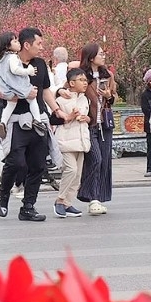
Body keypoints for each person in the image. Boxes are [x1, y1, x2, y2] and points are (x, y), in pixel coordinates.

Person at [0, 28, 61, 222]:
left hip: (38, 119)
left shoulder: (40, 64)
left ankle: (28, 207)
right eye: (39, 43)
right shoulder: (7, 62)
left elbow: (45, 90)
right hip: (16, 121)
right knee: (16, 162)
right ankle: (3, 194)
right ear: (26, 45)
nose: (42, 47)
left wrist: (56, 110)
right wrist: (14, 95)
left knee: (38, 165)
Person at [76, 42, 118, 216]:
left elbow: (114, 96)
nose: (104, 55)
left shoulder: (107, 75)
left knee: (104, 161)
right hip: (88, 125)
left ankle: (97, 198)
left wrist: (109, 96)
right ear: (91, 57)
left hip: (105, 125)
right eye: (100, 53)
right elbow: (68, 90)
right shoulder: (81, 76)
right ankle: (90, 197)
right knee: (96, 159)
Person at [52, 68, 90, 218]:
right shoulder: (61, 100)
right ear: (72, 83)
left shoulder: (84, 99)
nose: (85, 83)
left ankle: (67, 203)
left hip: (81, 141)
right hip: (66, 140)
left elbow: (89, 118)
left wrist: (86, 119)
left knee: (77, 175)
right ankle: (60, 200)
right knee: (71, 170)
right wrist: (69, 116)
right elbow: (54, 118)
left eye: (86, 80)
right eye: (82, 80)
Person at [0, 32, 46, 139]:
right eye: (15, 41)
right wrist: (28, 71)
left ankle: (3, 122)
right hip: (18, 85)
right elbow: (15, 70)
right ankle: (37, 120)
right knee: (32, 99)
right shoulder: (13, 57)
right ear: (8, 45)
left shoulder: (0, 59)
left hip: (6, 88)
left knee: (10, 105)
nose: (18, 43)